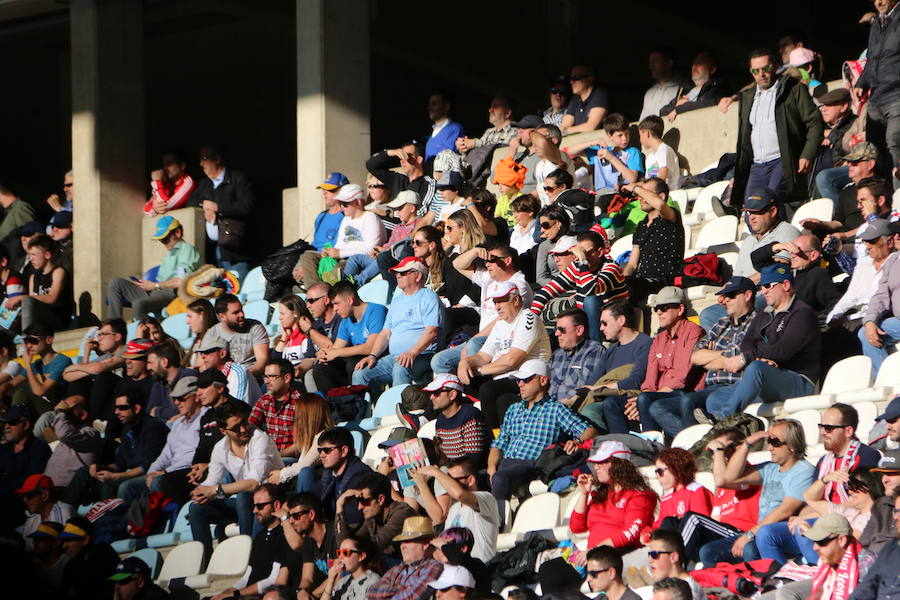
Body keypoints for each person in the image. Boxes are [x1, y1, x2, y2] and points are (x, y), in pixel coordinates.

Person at [705, 264, 822, 419]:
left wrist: (747, 358)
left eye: (768, 286)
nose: (764, 291)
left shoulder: (802, 313)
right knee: (716, 398)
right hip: (771, 375)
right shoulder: (765, 313)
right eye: (761, 287)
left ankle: (723, 420)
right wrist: (759, 357)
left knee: (756, 368)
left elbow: (783, 350)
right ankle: (732, 434)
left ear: (785, 285)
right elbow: (748, 342)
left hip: (799, 381)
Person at [701, 419, 815, 564]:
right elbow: (728, 478)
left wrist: (750, 534)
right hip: (760, 532)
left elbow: (785, 510)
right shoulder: (770, 468)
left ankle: (765, 583)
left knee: (750, 548)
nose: (770, 447)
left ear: (792, 446)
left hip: (783, 533)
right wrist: (747, 444)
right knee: (708, 552)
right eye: (768, 441)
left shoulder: (804, 471)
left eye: (775, 442)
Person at [488, 360, 596, 504]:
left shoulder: (555, 409)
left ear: (543, 380)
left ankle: (498, 523)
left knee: (500, 478)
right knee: (467, 480)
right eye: (519, 380)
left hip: (531, 464)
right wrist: (490, 467)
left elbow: (590, 430)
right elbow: (498, 444)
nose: (520, 384)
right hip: (505, 464)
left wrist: (578, 441)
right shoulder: (513, 409)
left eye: (525, 380)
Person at [189, 401, 284, 562]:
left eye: (244, 423)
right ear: (223, 431)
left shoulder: (260, 439)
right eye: (235, 428)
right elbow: (211, 482)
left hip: (272, 500)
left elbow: (254, 483)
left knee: (244, 496)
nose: (243, 429)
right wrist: (200, 492)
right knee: (196, 508)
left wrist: (214, 490)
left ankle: (249, 556)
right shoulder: (220, 448)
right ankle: (204, 561)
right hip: (246, 506)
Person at [601, 287, 704, 434]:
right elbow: (650, 379)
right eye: (656, 308)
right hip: (657, 394)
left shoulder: (693, 332)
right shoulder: (659, 339)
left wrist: (646, 397)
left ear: (680, 309)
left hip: (684, 393)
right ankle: (622, 449)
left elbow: (682, 377)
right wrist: (643, 396)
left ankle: (652, 445)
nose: (658, 312)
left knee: (644, 399)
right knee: (611, 403)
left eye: (663, 308)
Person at [732, 48, 824, 211]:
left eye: (766, 69)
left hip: (782, 160)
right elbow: (744, 137)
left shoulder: (793, 89)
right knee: (751, 210)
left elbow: (815, 121)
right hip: (757, 165)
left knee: (770, 204)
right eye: (756, 70)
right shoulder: (747, 97)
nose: (762, 74)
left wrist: (807, 154)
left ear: (775, 66)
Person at [460, 281, 551, 428]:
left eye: (501, 301)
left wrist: (481, 371)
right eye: (495, 302)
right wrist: (465, 363)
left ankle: (496, 439)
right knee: (462, 381)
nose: (497, 307)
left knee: (488, 390)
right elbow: (483, 356)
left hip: (527, 377)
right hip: (504, 376)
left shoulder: (528, 319)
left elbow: (511, 361)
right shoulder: (500, 324)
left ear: (516, 300)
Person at [65, 388, 169, 504]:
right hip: (128, 472)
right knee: (85, 471)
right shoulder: (127, 427)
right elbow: (121, 463)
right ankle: (66, 513)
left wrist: (117, 476)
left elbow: (147, 465)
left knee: (117, 486)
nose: (116, 412)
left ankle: (114, 519)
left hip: (149, 474)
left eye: (122, 408)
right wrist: (103, 468)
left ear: (136, 408)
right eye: (116, 408)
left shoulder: (153, 427)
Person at [352, 257, 442, 388]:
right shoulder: (397, 301)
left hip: (422, 355)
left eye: (403, 272)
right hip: (394, 357)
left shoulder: (429, 297)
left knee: (400, 368)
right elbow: (385, 334)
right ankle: (359, 408)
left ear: (418, 276)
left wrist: (412, 352)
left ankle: (399, 407)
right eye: (397, 273)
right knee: (360, 373)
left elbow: (432, 331)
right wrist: (373, 355)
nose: (398, 275)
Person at [678, 429, 761, 563]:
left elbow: (723, 479)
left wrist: (718, 451)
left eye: (721, 448)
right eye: (713, 451)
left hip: (742, 532)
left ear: (738, 447)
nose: (716, 455)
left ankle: (676, 565)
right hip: (723, 533)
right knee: (672, 521)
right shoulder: (721, 489)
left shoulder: (749, 472)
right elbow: (716, 518)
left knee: (694, 519)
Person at [532, 230, 627, 342]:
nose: (581, 257)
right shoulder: (577, 267)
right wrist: (531, 322)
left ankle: (594, 347)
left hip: (612, 322)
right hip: (585, 324)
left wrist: (583, 262)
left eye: (586, 253)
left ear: (600, 252)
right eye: (579, 253)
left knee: (590, 301)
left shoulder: (611, 268)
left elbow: (589, 291)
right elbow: (544, 293)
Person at [570, 441, 657, 559]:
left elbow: (630, 533)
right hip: (594, 555)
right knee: (549, 568)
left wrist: (594, 551)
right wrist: (584, 494)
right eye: (596, 463)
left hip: (621, 555)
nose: (596, 467)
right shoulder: (601, 494)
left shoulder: (639, 495)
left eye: (602, 463)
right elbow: (577, 528)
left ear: (619, 465)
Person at [209, 484, 295, 600]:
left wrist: (235, 594)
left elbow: (273, 580)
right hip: (247, 594)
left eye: (259, 506)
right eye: (253, 506)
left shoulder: (284, 536)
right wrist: (224, 593)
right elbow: (246, 576)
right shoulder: (260, 536)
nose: (254, 511)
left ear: (276, 505)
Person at [106, 216, 200, 320]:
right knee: (116, 283)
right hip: (155, 291)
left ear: (177, 232)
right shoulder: (171, 252)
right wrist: (148, 285)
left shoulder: (187, 249)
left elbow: (181, 281)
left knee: (139, 305)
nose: (163, 243)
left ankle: (142, 334)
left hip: (169, 293)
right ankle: (114, 326)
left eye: (165, 239)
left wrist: (154, 285)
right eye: (161, 240)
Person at [578, 301, 653, 428]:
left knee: (590, 411)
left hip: (627, 398)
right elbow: (592, 382)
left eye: (604, 323)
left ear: (621, 320)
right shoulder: (611, 351)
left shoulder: (646, 344)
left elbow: (636, 381)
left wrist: (599, 389)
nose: (601, 328)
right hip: (605, 396)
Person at [758, 513, 862, 600]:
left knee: (785, 593)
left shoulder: (863, 565)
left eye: (821, 542)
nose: (815, 547)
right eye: (814, 541)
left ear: (841, 540)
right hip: (824, 579)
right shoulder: (827, 562)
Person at [190, 144, 256, 279]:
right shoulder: (204, 184)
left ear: (217, 159)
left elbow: (247, 206)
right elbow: (190, 202)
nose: (201, 164)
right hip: (213, 252)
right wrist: (204, 205)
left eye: (205, 158)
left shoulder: (238, 179)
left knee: (236, 291)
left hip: (235, 252)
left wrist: (218, 208)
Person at [854, 0, 900, 188]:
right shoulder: (877, 24)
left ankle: (898, 200)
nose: (878, 2)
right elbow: (872, 59)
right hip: (876, 97)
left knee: (894, 144)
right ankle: (882, 198)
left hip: (896, 94)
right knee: (874, 152)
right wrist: (861, 82)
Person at [312, 281, 386, 391]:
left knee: (352, 363)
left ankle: (356, 404)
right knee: (321, 367)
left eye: (337, 303)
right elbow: (336, 347)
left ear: (350, 300)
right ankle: (332, 405)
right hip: (358, 364)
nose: (335, 308)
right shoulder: (346, 321)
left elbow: (371, 347)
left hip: (378, 360)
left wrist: (336, 352)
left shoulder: (376, 311)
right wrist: (324, 354)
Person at [142, 376, 202, 504]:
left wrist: (165, 472)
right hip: (170, 471)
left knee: (159, 482)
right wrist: (151, 472)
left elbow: (193, 457)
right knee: (129, 487)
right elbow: (166, 454)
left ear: (196, 397)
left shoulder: (204, 419)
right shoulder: (178, 423)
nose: (176, 403)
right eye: (175, 399)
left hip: (189, 472)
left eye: (181, 398)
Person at [828, 219, 896, 326]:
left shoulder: (895, 265)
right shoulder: (863, 264)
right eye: (865, 241)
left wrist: (850, 318)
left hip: (879, 318)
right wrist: (833, 316)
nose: (868, 246)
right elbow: (850, 296)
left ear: (890, 242)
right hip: (853, 318)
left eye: (872, 241)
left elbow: (883, 302)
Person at [336, 471, 416, 560]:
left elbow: (376, 545)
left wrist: (351, 551)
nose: (359, 507)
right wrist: (339, 507)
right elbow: (346, 547)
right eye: (357, 501)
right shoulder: (372, 519)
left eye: (364, 501)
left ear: (381, 499)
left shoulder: (402, 513)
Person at [365, 516, 444, 600]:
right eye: (402, 542)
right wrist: (403, 589)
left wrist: (388, 594)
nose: (402, 546)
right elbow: (371, 592)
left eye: (407, 541)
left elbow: (411, 597)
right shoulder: (398, 568)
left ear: (425, 544)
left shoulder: (433, 567)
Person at [189, 368, 242, 488]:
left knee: (215, 480)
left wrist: (208, 466)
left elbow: (237, 449)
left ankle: (219, 504)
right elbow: (202, 448)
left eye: (203, 387)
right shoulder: (206, 417)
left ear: (220, 388)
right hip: (210, 467)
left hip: (231, 469)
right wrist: (197, 465)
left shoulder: (238, 410)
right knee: (165, 482)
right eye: (198, 388)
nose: (198, 393)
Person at [421, 374, 491, 465]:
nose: (431, 397)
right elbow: (443, 457)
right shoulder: (441, 419)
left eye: (436, 392)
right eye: (430, 393)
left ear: (452, 394)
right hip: (451, 471)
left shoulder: (470, 415)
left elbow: (473, 460)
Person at [567, 113, 643, 195]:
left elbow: (632, 178)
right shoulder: (602, 151)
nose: (624, 138)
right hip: (601, 193)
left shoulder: (633, 152)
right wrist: (593, 142)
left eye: (627, 134)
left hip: (622, 193)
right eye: (620, 135)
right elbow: (571, 151)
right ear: (610, 136)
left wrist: (611, 158)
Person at [312, 427, 373, 518]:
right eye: (320, 451)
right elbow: (309, 498)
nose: (322, 455)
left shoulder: (360, 476)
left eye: (327, 450)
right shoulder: (330, 474)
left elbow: (352, 519)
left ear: (344, 451)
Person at [548, 309, 605, 407]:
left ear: (579, 330)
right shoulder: (557, 355)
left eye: (561, 329)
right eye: (556, 329)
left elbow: (586, 389)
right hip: (548, 410)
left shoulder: (593, 351)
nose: (557, 333)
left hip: (573, 410)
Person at [44, 394, 102, 487]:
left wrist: (60, 412)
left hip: (66, 491)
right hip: (48, 488)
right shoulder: (69, 432)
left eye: (66, 410)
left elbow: (64, 434)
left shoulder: (91, 434)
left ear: (83, 415)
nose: (62, 415)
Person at [206, 293, 269, 377]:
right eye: (236, 312)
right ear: (222, 316)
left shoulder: (255, 327)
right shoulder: (214, 333)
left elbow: (262, 360)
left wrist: (242, 376)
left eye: (241, 310)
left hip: (252, 378)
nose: (242, 315)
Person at [58, 516, 120, 600]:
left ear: (85, 540)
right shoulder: (70, 566)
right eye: (63, 541)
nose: (64, 546)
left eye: (69, 540)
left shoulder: (103, 552)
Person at [19, 233, 72, 332]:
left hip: (57, 318)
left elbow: (52, 298)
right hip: (40, 320)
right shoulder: (33, 277)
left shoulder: (58, 272)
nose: (31, 259)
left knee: (27, 301)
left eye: (34, 255)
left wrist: (22, 298)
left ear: (47, 255)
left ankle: (27, 336)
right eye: (29, 255)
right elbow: (32, 303)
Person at [15, 323, 72, 413]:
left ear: (49, 340)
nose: (28, 346)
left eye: (33, 341)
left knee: (22, 393)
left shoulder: (62, 361)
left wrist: (28, 365)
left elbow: (40, 391)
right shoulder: (36, 364)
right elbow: (12, 383)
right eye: (26, 341)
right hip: (42, 408)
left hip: (57, 408)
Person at [250, 359, 301, 456]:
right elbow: (250, 426)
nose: (266, 381)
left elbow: (302, 443)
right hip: (266, 455)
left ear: (286, 378)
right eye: (265, 376)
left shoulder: (300, 403)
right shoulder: (264, 400)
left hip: (290, 458)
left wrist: (277, 455)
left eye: (271, 376)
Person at [659, 52, 728, 121]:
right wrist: (678, 107)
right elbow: (663, 111)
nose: (694, 66)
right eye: (694, 63)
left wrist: (681, 108)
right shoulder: (685, 89)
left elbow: (708, 103)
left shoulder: (716, 86)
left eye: (699, 63)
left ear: (712, 69)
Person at [0, 405, 51, 496]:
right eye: (5, 423)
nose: (7, 426)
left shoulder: (39, 450)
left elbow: (30, 483)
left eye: (12, 422)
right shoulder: (4, 449)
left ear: (26, 424)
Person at [645, 529, 705, 600]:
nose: (650, 560)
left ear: (673, 557)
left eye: (654, 554)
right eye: (649, 554)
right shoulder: (670, 588)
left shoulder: (689, 592)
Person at [320, 535, 381, 600]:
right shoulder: (343, 581)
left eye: (345, 553)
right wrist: (330, 581)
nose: (340, 557)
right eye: (339, 553)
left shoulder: (373, 582)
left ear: (361, 556)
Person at [16, 473, 70, 546]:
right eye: (23, 496)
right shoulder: (32, 519)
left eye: (30, 495)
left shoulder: (63, 512)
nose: (25, 500)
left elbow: (62, 550)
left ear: (45, 495)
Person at [455, 95, 520, 153]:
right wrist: (464, 145)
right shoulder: (489, 132)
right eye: (491, 106)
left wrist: (474, 143)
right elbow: (479, 155)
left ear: (507, 113)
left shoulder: (516, 131)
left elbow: (501, 152)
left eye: (496, 106)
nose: (490, 110)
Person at [561, 65, 609, 135]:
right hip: (578, 142)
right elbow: (564, 126)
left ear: (590, 79)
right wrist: (566, 130)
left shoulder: (600, 94)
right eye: (571, 78)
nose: (571, 82)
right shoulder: (575, 99)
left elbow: (591, 127)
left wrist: (567, 131)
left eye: (576, 78)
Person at [145, 151, 195, 217]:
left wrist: (157, 181)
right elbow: (146, 209)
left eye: (169, 164)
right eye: (164, 165)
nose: (165, 168)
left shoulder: (188, 181)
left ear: (182, 166)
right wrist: (154, 209)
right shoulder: (166, 184)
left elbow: (167, 206)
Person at [638, 116, 680, 191]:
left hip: (668, 194)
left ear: (647, 134)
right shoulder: (650, 157)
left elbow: (661, 179)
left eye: (640, 135)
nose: (640, 140)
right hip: (653, 194)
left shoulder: (664, 150)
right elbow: (647, 182)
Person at [640, 47, 683, 120]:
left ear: (669, 63)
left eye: (655, 61)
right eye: (650, 62)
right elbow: (642, 121)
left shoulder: (681, 89)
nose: (651, 67)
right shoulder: (649, 93)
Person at [106, 556, 171, 600]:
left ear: (140, 582)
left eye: (122, 582)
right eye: (115, 582)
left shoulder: (156, 597)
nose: (116, 587)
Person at [425, 90, 464, 160]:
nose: (429, 108)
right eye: (429, 104)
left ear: (446, 107)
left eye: (434, 104)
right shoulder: (431, 137)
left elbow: (447, 159)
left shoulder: (455, 129)